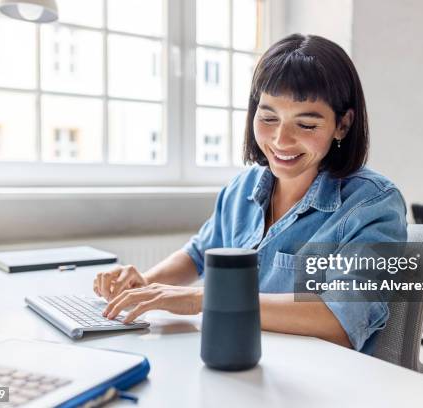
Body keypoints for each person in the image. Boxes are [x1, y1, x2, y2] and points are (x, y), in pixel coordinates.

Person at [93, 33, 407, 354]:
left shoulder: (372, 204)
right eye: (269, 118)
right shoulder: (243, 187)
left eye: (306, 125)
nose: (281, 140)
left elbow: (341, 320)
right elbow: (199, 254)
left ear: (342, 125)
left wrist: (204, 299)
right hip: (246, 362)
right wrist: (145, 284)